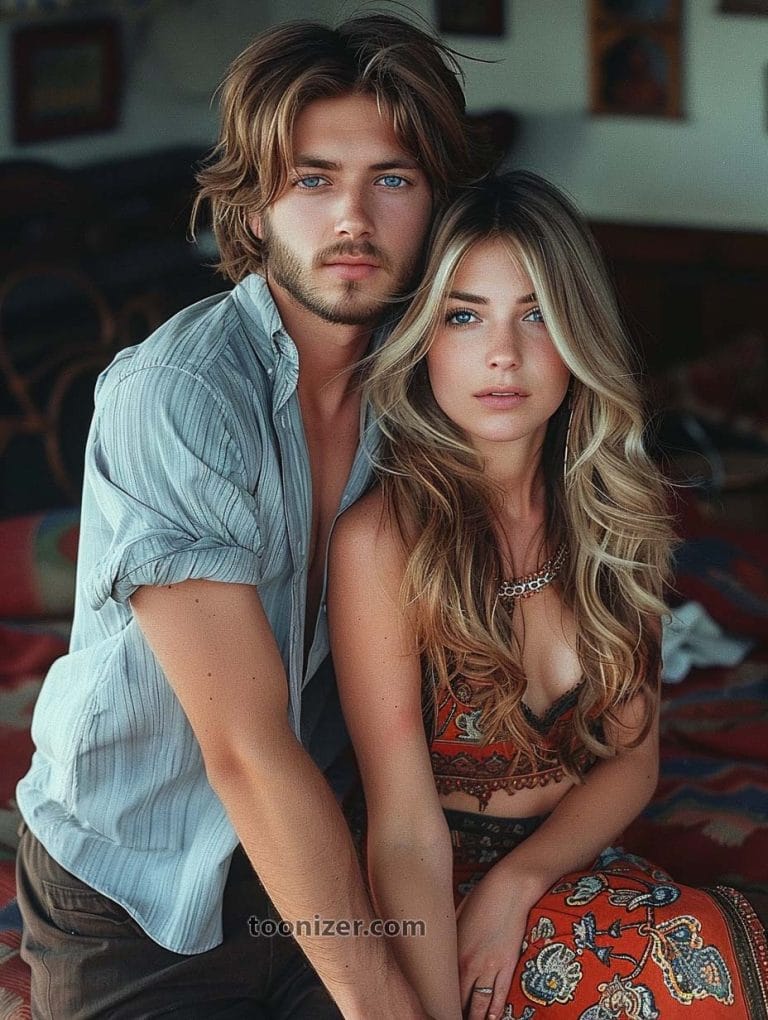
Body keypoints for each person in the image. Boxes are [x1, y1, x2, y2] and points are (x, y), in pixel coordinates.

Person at [15, 14, 481, 1019]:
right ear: (257, 206)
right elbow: (245, 747)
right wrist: (382, 1007)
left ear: (434, 204)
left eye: (391, 178)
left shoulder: (427, 384)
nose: (352, 218)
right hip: (135, 886)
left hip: (324, 863)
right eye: (313, 179)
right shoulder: (181, 396)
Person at [329, 171, 768, 1020]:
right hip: (426, 896)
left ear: (578, 335)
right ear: (423, 339)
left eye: (536, 314)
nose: (504, 352)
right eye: (465, 315)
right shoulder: (384, 542)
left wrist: (520, 883)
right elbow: (403, 828)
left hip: (569, 863)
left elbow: (634, 756)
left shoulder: (615, 515)